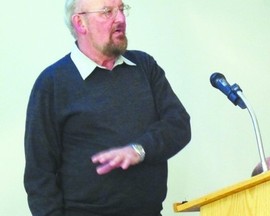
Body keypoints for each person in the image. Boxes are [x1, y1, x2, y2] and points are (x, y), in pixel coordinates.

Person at [24, 0, 191, 216]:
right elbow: (40, 175)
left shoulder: (144, 67)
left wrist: (139, 149)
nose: (120, 19)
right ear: (80, 23)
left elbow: (178, 125)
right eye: (107, 12)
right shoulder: (52, 83)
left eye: (122, 9)